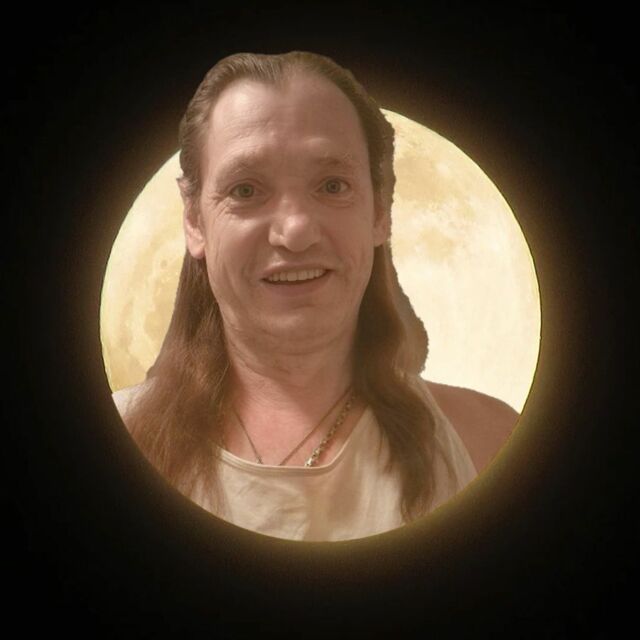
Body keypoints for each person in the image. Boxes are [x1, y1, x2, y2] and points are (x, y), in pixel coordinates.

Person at [112, 51, 518, 542]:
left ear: (380, 211)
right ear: (194, 220)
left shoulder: (489, 445)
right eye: (245, 190)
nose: (295, 231)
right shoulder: (118, 439)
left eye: (332, 185)